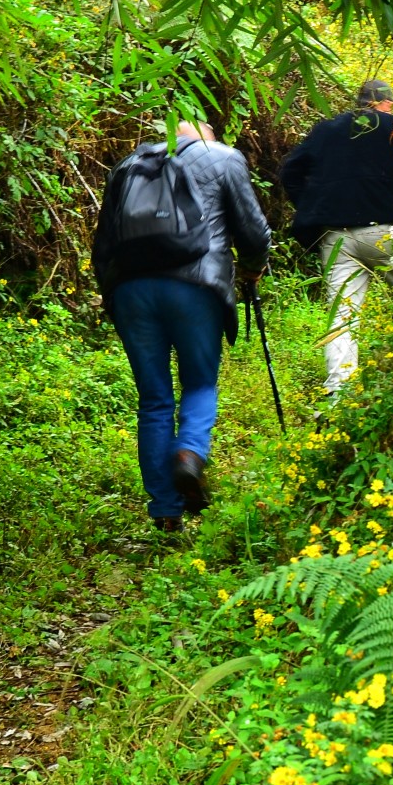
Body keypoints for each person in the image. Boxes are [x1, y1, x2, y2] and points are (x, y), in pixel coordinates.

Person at [94, 121, 269, 532]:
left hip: (132, 290)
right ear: (205, 136)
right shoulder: (223, 158)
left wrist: (113, 298)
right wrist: (252, 271)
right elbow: (254, 232)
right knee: (200, 383)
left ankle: (167, 513)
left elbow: (103, 243)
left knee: (154, 401)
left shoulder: (128, 167)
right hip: (197, 288)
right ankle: (189, 455)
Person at [280, 78, 393, 394]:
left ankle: (338, 394)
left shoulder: (326, 129)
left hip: (337, 238)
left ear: (360, 102)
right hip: (385, 231)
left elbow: (289, 172)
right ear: (385, 103)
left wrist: (312, 205)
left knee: (342, 318)